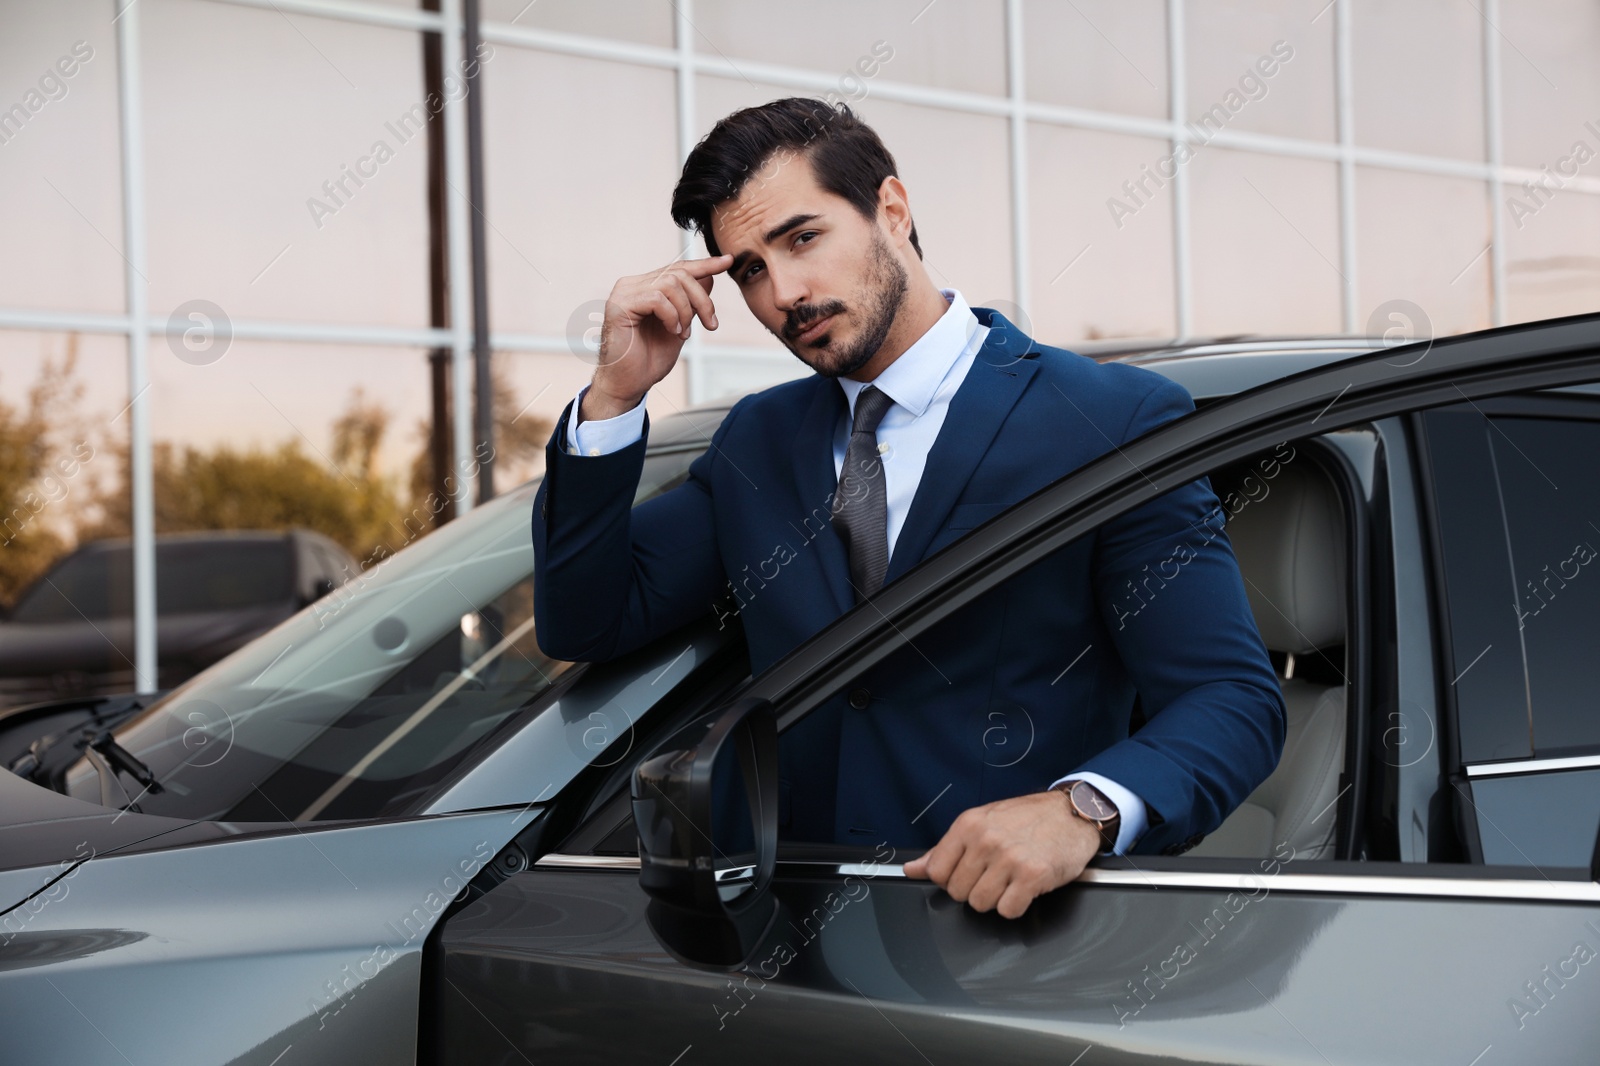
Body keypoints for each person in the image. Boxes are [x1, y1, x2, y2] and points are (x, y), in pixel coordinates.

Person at [532, 97, 1285, 919]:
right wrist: (613, 396)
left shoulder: (1109, 419)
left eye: (802, 238)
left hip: (1010, 945)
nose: (784, 291)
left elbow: (1231, 698)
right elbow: (587, 621)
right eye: (748, 268)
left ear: (891, 209)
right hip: (796, 947)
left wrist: (1083, 808)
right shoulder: (758, 439)